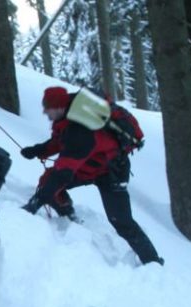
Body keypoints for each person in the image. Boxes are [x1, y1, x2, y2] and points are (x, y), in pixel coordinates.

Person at [21, 87, 163, 266]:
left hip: (112, 171)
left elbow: (63, 172)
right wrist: (38, 150)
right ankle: (68, 215)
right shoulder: (70, 115)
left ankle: (152, 262)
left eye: (47, 107)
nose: (44, 111)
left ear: (58, 107)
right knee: (48, 181)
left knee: (121, 220)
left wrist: (34, 204)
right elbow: (60, 140)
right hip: (90, 166)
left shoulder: (80, 130)